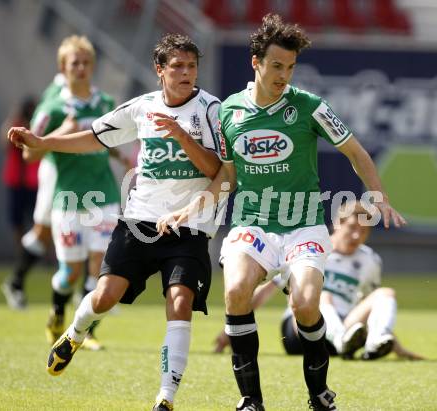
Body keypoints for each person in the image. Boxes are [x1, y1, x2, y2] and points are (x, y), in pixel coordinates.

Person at [156, 14, 406, 411]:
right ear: (255, 62)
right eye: (276, 66)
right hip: (252, 225)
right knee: (236, 291)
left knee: (306, 303)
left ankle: (319, 393)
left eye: (290, 67)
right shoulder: (228, 113)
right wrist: (190, 207)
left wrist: (378, 196)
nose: (283, 75)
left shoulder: (309, 107)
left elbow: (356, 153)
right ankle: (251, 400)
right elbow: (226, 177)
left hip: (303, 224)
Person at [8, 33, 221, 411]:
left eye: (191, 66)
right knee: (105, 296)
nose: (186, 73)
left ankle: (166, 397)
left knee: (180, 300)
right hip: (140, 222)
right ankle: (74, 334)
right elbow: (93, 138)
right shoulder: (141, 108)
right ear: (160, 71)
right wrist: (42, 142)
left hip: (188, 227)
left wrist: (182, 137)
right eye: (177, 66)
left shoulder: (211, 111)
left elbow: (217, 170)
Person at [213, 201, 424, 362]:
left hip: (347, 329)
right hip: (300, 329)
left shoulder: (370, 259)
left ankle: (375, 342)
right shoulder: (310, 249)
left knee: (385, 294)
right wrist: (229, 330)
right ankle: (342, 340)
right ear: (337, 224)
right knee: (322, 295)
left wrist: (397, 348)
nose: (357, 235)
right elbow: (265, 291)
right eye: (352, 227)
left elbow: (372, 308)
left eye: (364, 231)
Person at [20, 35, 121, 350]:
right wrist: (60, 133)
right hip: (68, 198)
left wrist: (124, 156)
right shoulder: (51, 107)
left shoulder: (105, 103)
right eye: (74, 63)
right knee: (69, 272)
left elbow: (109, 141)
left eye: (86, 62)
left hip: (103, 196)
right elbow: (29, 154)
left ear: (93, 66)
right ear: (63, 67)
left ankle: (86, 331)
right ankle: (58, 313)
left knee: (99, 265)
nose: (80, 68)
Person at [0, 97, 39, 309]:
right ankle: (21, 260)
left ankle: (20, 271)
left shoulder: (37, 127)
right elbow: (4, 142)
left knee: (38, 227)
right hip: (16, 182)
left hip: (33, 184)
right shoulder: (15, 126)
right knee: (18, 225)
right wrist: (15, 120)